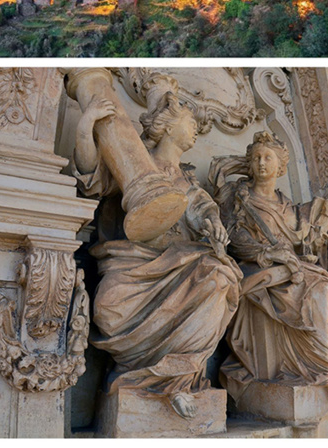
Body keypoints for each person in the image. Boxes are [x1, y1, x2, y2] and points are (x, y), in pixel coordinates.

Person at [73, 91, 241, 419]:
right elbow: (90, 176)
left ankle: (178, 378)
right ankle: (150, 374)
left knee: (218, 275)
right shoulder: (132, 161)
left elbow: (201, 209)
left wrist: (213, 224)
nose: (198, 130)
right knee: (107, 308)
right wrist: (85, 125)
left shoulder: (188, 180)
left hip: (179, 263)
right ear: (167, 126)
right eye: (191, 122)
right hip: (131, 263)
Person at [209, 131, 328, 404]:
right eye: (256, 159)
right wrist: (267, 252)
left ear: (281, 165)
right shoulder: (238, 199)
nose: (261, 163)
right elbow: (234, 239)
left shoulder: (291, 208)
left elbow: (303, 246)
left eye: (268, 158)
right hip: (259, 272)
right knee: (318, 293)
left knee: (326, 293)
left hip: (294, 272)